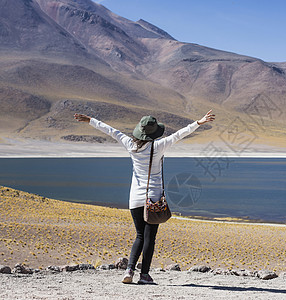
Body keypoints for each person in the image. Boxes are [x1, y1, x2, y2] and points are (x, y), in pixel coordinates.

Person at [74, 110, 215, 284]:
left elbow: (111, 131)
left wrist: (90, 120)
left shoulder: (130, 145)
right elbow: (180, 134)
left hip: (135, 199)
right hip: (153, 199)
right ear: (155, 132)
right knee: (150, 237)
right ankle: (145, 275)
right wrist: (199, 122)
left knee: (139, 235)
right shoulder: (159, 146)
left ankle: (129, 270)